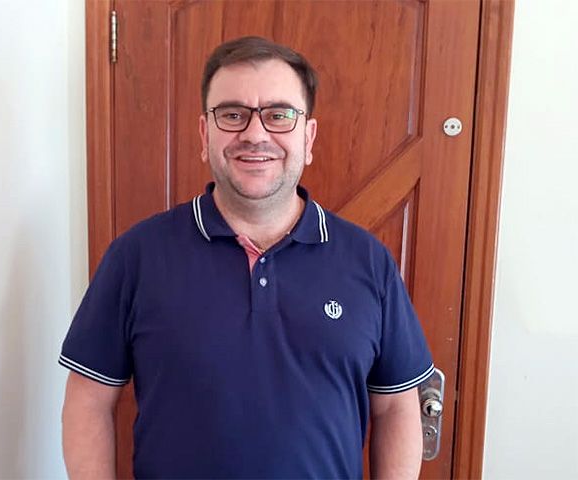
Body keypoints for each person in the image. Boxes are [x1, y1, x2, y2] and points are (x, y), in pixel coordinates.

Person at [60, 36, 433, 479]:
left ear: (308, 136)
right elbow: (88, 399)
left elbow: (395, 407)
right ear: (205, 134)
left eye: (279, 115)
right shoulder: (137, 256)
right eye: (233, 114)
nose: (255, 135)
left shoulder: (368, 261)